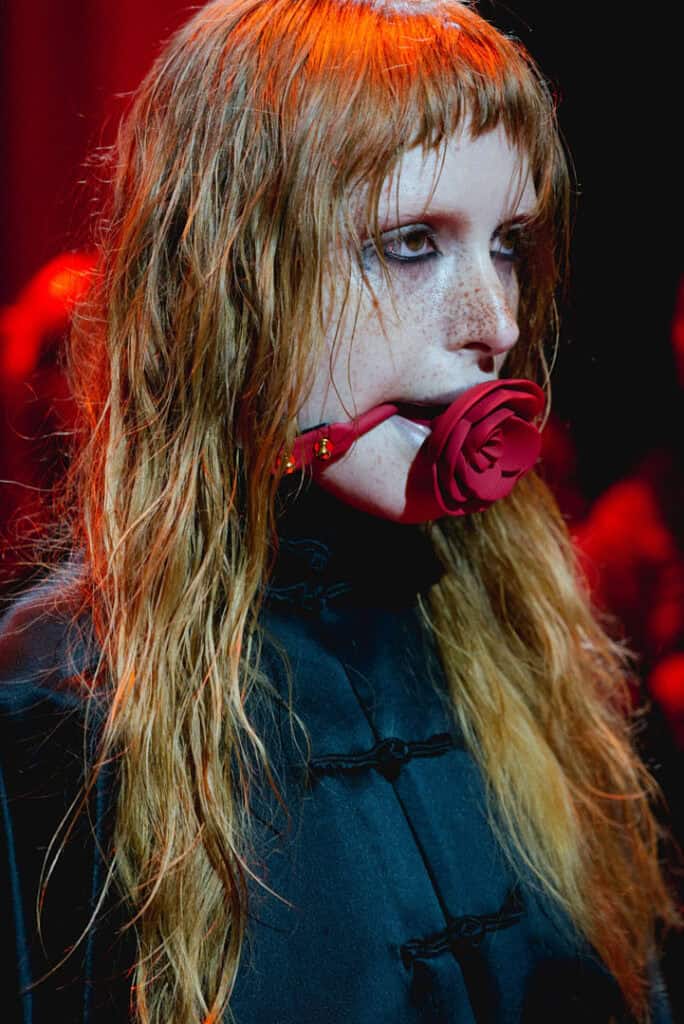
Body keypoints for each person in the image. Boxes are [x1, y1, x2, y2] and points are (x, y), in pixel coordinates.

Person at [0, 1, 681, 1022]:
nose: (494, 322)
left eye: (507, 245)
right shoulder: (63, 698)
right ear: (232, 279)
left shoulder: (543, 647)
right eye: (411, 243)